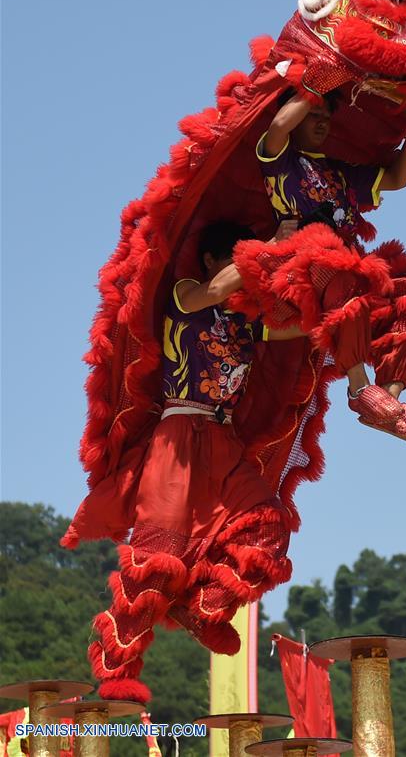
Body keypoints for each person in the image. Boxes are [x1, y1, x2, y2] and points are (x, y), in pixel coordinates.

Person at [88, 220, 301, 705]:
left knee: (269, 525)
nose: (244, 274)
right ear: (210, 262)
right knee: (155, 563)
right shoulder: (187, 294)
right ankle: (115, 677)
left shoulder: (247, 317)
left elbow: (304, 328)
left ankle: (203, 608)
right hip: (178, 438)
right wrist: (270, 246)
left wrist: (354, 308)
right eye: (235, 260)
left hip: (223, 443)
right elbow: (220, 288)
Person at [231, 91, 406, 444]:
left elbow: (396, 179)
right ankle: (357, 387)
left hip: (350, 279)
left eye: (325, 116)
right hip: (300, 279)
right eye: (312, 114)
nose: (321, 121)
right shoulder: (280, 162)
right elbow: (276, 127)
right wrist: (313, 87)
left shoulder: (341, 175)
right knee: (336, 266)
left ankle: (388, 399)